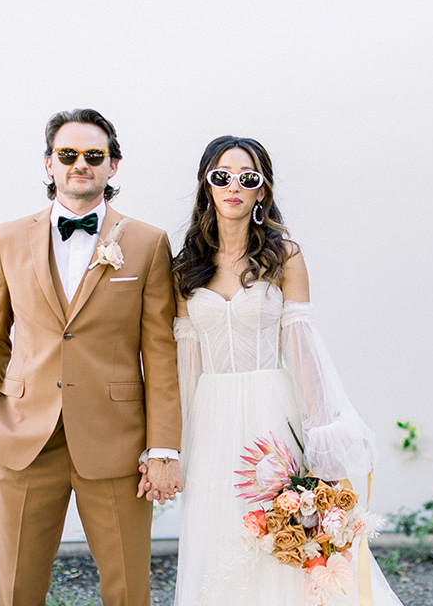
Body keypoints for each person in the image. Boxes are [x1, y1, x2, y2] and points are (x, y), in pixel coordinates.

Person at [168, 135, 404, 605]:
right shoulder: (185, 267)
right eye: (221, 177)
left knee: (289, 529)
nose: (233, 186)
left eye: (247, 178)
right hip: (212, 418)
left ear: (262, 192)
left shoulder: (284, 256)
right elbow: (184, 364)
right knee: (220, 532)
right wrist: (174, 447)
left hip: (272, 415)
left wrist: (323, 435)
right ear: (206, 187)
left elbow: (303, 348)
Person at [0, 108, 183, 606]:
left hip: (117, 442)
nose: (79, 164)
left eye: (94, 155)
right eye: (68, 154)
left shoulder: (148, 243)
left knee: (129, 590)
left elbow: (161, 351)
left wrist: (163, 447)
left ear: (113, 166)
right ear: (49, 163)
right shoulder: (7, 237)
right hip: (25, 437)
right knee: (17, 589)